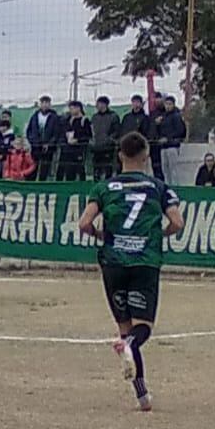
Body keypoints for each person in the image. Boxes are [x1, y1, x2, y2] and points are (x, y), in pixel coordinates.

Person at [78, 132, 185, 412]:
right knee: (141, 330)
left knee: (126, 329)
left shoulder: (104, 187)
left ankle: (142, 396)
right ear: (147, 157)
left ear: (119, 156)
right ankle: (129, 351)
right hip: (144, 261)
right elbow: (177, 222)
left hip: (113, 262)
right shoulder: (158, 187)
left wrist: (102, 235)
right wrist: (159, 235)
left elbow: (84, 223)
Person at [26, 95, 61, 180]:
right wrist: (32, 141)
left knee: (45, 169)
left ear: (50, 104)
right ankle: (30, 184)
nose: (45, 105)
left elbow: (56, 133)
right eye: (43, 102)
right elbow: (29, 131)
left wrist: (49, 144)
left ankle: (42, 184)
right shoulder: (34, 116)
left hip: (48, 148)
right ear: (40, 104)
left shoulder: (54, 117)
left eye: (47, 103)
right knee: (33, 167)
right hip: (35, 146)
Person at [152, 95, 186, 181]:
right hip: (163, 147)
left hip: (173, 146)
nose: (168, 106)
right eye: (166, 104)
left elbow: (180, 131)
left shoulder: (177, 116)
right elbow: (158, 132)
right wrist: (157, 125)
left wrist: (168, 138)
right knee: (165, 170)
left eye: (170, 104)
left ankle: (175, 187)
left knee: (173, 170)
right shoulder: (162, 117)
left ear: (173, 105)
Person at [91, 96, 121, 180]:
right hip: (96, 147)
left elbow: (117, 131)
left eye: (100, 103)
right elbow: (92, 130)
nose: (98, 106)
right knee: (96, 169)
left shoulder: (113, 116)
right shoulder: (94, 117)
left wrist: (109, 140)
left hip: (108, 147)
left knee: (108, 168)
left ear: (105, 104)